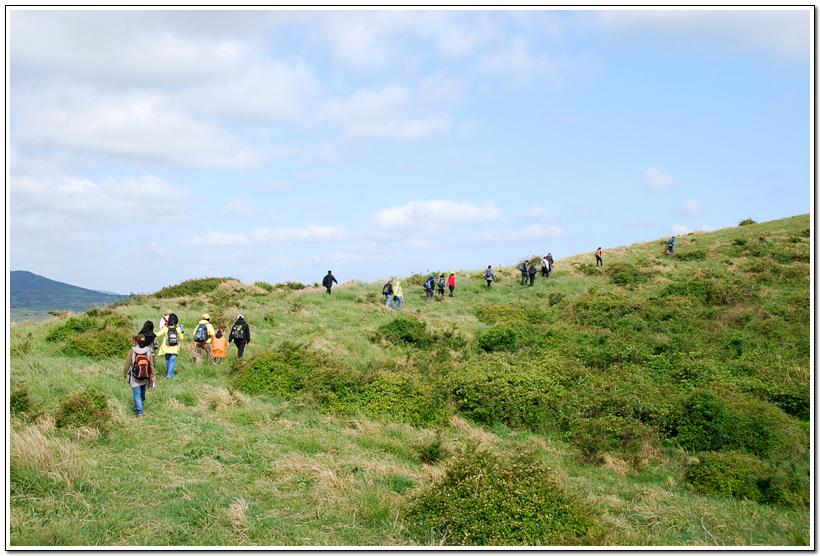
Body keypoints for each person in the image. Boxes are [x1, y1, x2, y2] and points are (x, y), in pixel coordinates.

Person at [123, 334, 155, 418]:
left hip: (135, 376)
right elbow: (151, 364)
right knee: (142, 394)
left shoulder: (132, 351)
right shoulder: (148, 351)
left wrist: (124, 375)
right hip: (145, 376)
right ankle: (140, 406)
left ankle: (139, 412)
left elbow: (127, 364)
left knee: (137, 394)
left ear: (136, 342)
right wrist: (153, 375)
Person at [156, 313, 183, 378]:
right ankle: (170, 374)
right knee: (172, 361)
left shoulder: (165, 328)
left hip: (166, 347)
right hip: (174, 348)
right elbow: (181, 338)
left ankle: (169, 372)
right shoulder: (178, 329)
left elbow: (158, 334)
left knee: (168, 360)